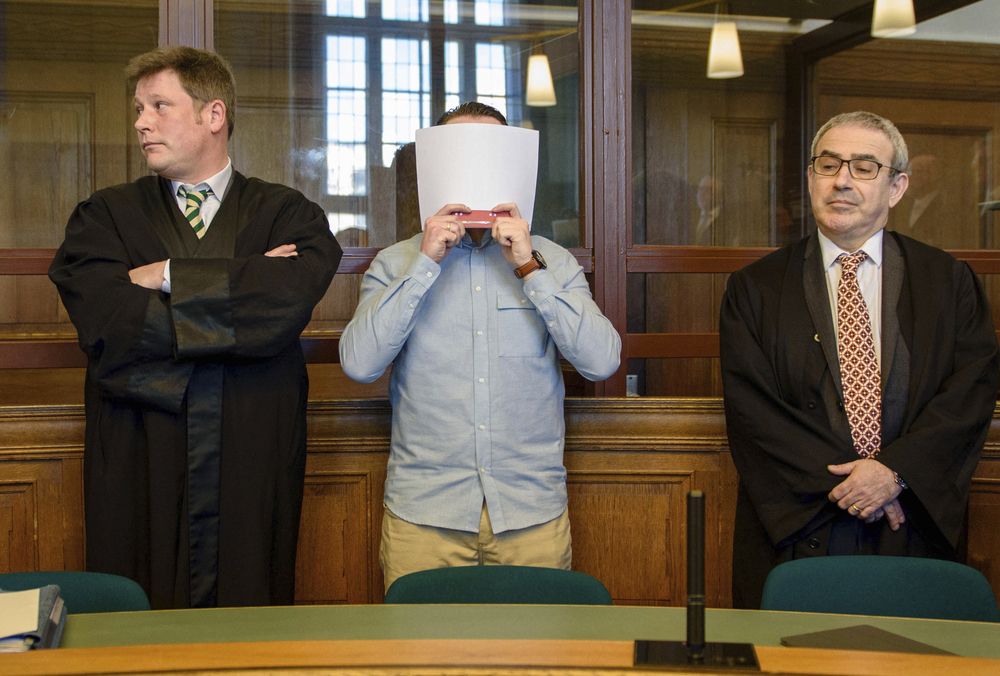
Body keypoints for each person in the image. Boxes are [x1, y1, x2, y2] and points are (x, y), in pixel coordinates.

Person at [48, 46, 343, 609]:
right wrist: (243, 289)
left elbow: (284, 306)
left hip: (251, 444)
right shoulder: (104, 217)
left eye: (160, 106)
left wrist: (166, 275)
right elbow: (109, 321)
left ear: (214, 114)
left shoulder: (288, 214)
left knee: (249, 602)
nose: (141, 122)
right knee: (137, 605)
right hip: (141, 446)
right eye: (138, 109)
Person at [720, 111, 998, 609]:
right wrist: (854, 487)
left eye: (865, 167)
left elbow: (970, 393)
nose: (842, 180)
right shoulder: (755, 288)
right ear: (811, 178)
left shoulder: (947, 281)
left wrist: (892, 474)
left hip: (911, 516)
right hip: (800, 528)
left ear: (896, 187)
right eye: (828, 165)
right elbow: (753, 411)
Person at [339, 101, 621, 590]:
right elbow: (360, 364)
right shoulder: (396, 263)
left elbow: (602, 362)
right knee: (419, 644)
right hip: (425, 517)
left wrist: (529, 267)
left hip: (531, 515)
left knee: (539, 642)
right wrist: (425, 265)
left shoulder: (552, 261)